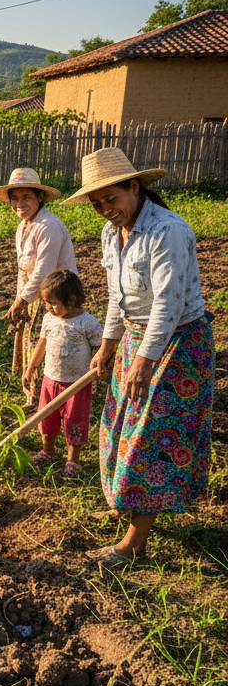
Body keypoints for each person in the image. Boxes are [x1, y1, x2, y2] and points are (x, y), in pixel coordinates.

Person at [66, 148, 213, 569]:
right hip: (136, 340)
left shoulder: (168, 230)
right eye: (96, 204)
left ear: (134, 186)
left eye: (111, 199)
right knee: (117, 427)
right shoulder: (112, 235)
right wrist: (108, 348)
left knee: (148, 440)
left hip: (177, 346)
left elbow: (167, 304)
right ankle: (123, 506)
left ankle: (133, 544)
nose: (105, 209)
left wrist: (144, 362)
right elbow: (117, 297)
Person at [0, 167, 77, 377]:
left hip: (57, 295)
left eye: (26, 197)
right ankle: (32, 390)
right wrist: (21, 299)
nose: (20, 204)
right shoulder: (24, 226)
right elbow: (23, 268)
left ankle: (47, 392)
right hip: (36, 294)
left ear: (40, 197)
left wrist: (22, 301)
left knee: (48, 346)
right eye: (15, 199)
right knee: (32, 341)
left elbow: (44, 270)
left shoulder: (48, 226)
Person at [22, 270, 103, 477]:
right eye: (46, 302)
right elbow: (42, 343)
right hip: (50, 379)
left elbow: (100, 350)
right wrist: (31, 367)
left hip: (77, 384)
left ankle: (72, 461)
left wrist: (101, 367)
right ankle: (48, 452)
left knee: (74, 422)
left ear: (72, 300)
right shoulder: (49, 319)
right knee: (46, 418)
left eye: (53, 302)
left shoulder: (88, 323)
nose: (48, 307)